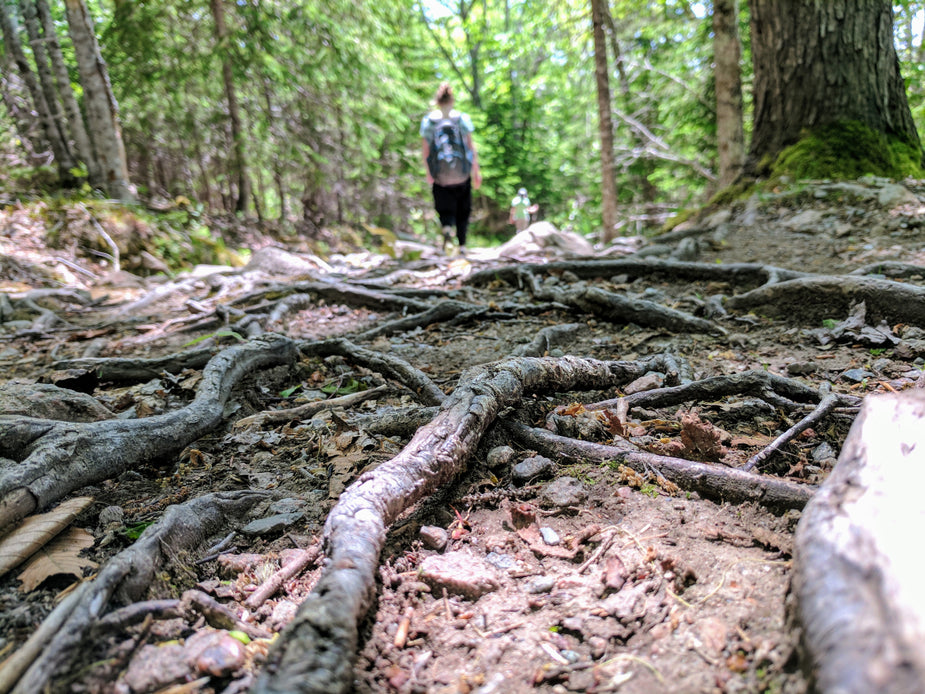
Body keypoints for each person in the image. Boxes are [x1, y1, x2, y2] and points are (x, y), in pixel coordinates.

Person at [420, 83, 481, 255]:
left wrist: (428, 172)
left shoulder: (429, 121)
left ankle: (447, 228)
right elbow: (470, 147)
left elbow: (425, 150)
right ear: (452, 100)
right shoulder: (461, 119)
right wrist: (476, 171)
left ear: (437, 101)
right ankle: (462, 245)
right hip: (462, 174)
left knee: (444, 208)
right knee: (463, 209)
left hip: (440, 175)